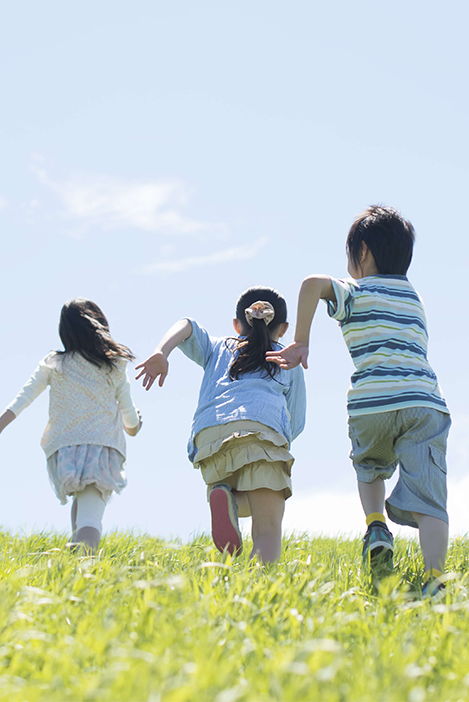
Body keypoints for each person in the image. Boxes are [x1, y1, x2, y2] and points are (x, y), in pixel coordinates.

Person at [266, 205, 450, 595]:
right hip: (423, 402)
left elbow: (312, 284)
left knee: (369, 467)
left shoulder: (356, 291)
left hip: (371, 404)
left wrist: (301, 340)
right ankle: (436, 582)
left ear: (362, 252)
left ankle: (375, 524)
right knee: (431, 501)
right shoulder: (413, 297)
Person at [136, 287, 305, 564]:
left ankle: (226, 499)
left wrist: (161, 352)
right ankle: (260, 591)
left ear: (237, 324)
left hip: (210, 438)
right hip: (261, 433)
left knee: (245, 498)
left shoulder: (219, 347)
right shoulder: (287, 359)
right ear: (284, 329)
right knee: (268, 528)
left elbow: (187, 325)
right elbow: (295, 419)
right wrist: (281, 451)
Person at [0, 298, 142, 554]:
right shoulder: (114, 365)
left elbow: (23, 398)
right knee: (91, 518)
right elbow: (130, 420)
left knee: (82, 511)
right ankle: (82, 564)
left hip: (66, 453)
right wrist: (134, 425)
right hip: (101, 451)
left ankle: (74, 565)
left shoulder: (55, 363)